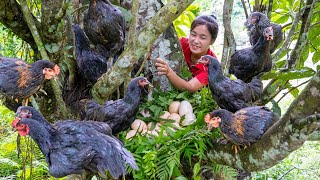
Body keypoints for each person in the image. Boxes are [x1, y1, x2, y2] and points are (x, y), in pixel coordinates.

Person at [155, 15, 219, 93]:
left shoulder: (211, 66)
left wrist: (169, 72)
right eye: (193, 34)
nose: (195, 41)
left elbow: (190, 88)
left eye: (202, 38)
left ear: (212, 41)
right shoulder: (182, 44)